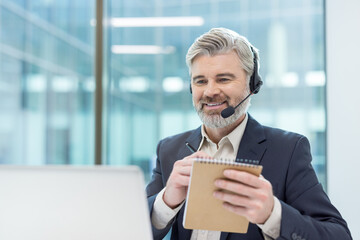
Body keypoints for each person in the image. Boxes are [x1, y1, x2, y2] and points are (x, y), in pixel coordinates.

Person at [145, 28, 352, 240]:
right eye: (200, 81)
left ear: (252, 85)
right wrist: (165, 202)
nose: (209, 92)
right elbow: (129, 228)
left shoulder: (288, 150)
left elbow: (338, 235)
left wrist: (273, 214)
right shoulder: (169, 150)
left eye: (223, 79)